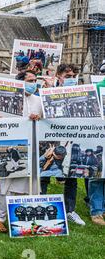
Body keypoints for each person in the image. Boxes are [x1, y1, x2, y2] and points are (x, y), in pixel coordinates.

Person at [0, 70, 43, 233]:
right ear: (20, 82)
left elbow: (48, 121)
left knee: (31, 183)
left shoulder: (39, 101)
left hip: (33, 148)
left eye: (35, 80)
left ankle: (26, 215)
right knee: (6, 183)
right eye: (30, 80)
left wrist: (39, 118)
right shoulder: (7, 99)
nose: (33, 83)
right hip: (14, 146)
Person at [40, 64, 85, 226]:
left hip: (71, 139)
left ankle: (70, 210)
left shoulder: (82, 92)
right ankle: (41, 206)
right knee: (43, 173)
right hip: (49, 138)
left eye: (73, 76)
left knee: (72, 176)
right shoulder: (46, 90)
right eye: (68, 76)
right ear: (59, 75)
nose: (71, 79)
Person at [88, 61, 105, 226]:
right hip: (100, 136)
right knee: (98, 175)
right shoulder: (98, 88)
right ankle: (97, 211)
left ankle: (99, 210)